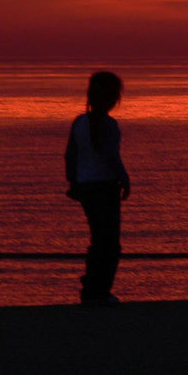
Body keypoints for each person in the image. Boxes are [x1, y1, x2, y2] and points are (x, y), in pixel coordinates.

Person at [65, 71, 131, 306]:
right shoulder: (109, 125)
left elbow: (70, 155)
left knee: (98, 239)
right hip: (104, 185)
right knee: (110, 242)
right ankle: (99, 290)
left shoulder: (80, 122)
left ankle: (91, 287)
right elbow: (110, 155)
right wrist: (124, 177)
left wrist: (73, 182)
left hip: (86, 186)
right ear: (113, 98)